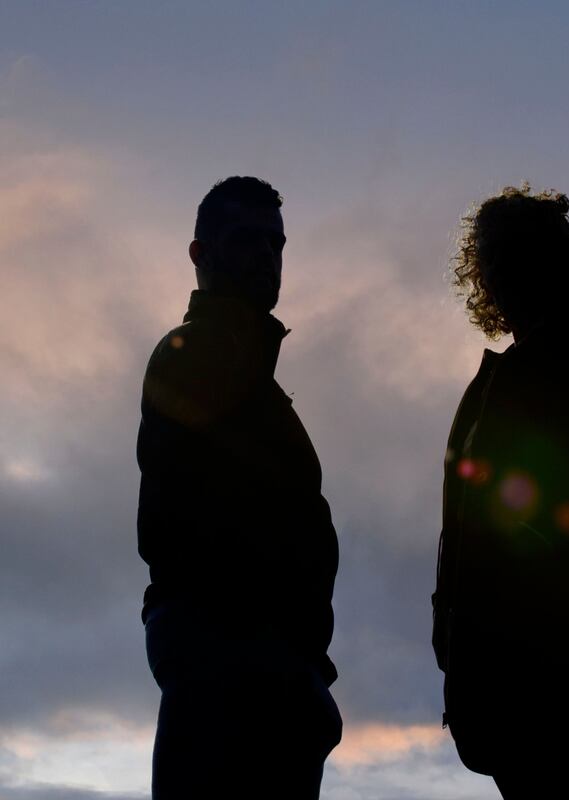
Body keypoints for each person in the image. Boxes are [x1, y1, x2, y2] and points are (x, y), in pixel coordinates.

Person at [432, 185, 569, 799]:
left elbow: (536, 536)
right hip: (529, 696)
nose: (501, 276)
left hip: (562, 697)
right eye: (492, 260)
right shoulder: (527, 372)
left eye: (513, 257)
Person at [137, 176, 341, 799]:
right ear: (201, 254)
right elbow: (192, 527)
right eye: (247, 239)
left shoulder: (258, 384)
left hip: (267, 675)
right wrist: (280, 662)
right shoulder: (195, 356)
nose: (267, 256)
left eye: (277, 243)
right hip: (234, 674)